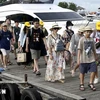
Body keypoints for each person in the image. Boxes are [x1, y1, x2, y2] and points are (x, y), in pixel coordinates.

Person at [77, 26, 97, 91]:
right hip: (83, 59)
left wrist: (95, 56)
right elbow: (79, 50)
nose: (88, 33)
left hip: (91, 58)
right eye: (87, 32)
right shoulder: (81, 39)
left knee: (93, 70)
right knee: (82, 72)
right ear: (84, 32)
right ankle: (81, 83)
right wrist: (78, 59)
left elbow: (94, 49)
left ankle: (91, 82)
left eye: (89, 32)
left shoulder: (92, 39)